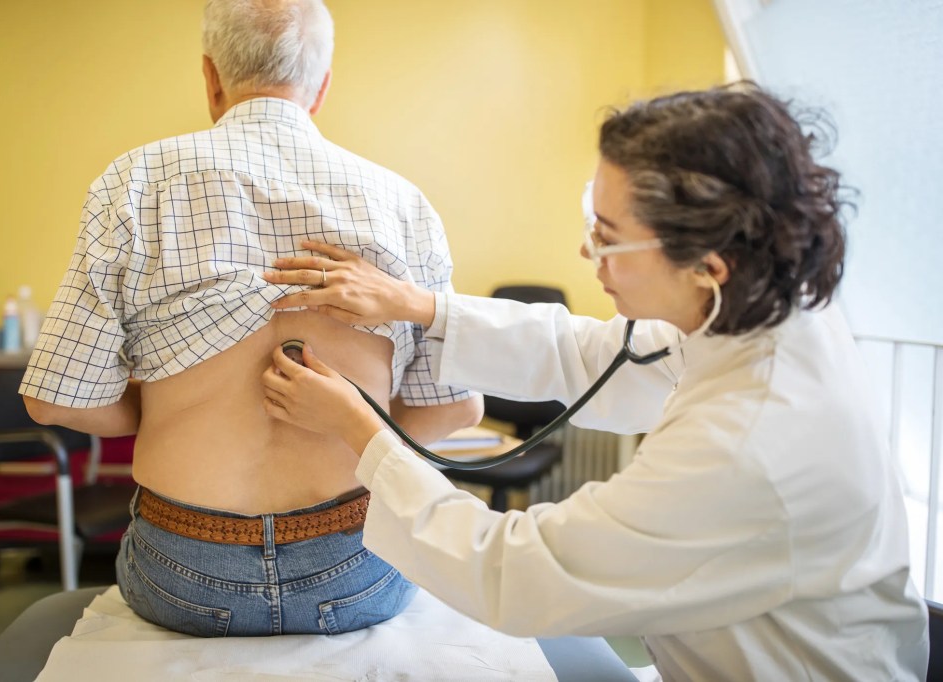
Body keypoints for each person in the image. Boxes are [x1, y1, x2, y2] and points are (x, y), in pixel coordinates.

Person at [259, 82, 930, 680]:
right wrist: (417, 305)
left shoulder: (752, 443)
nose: (588, 251)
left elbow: (514, 570)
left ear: (707, 264)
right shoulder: (763, 307)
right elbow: (589, 352)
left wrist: (360, 432)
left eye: (607, 235)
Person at [19, 0, 482, 637]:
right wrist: (352, 422)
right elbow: (456, 409)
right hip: (359, 567)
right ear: (321, 88)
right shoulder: (401, 202)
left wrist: (157, 408)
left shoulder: (133, 182)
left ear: (211, 77)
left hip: (179, 570)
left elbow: (54, 402)